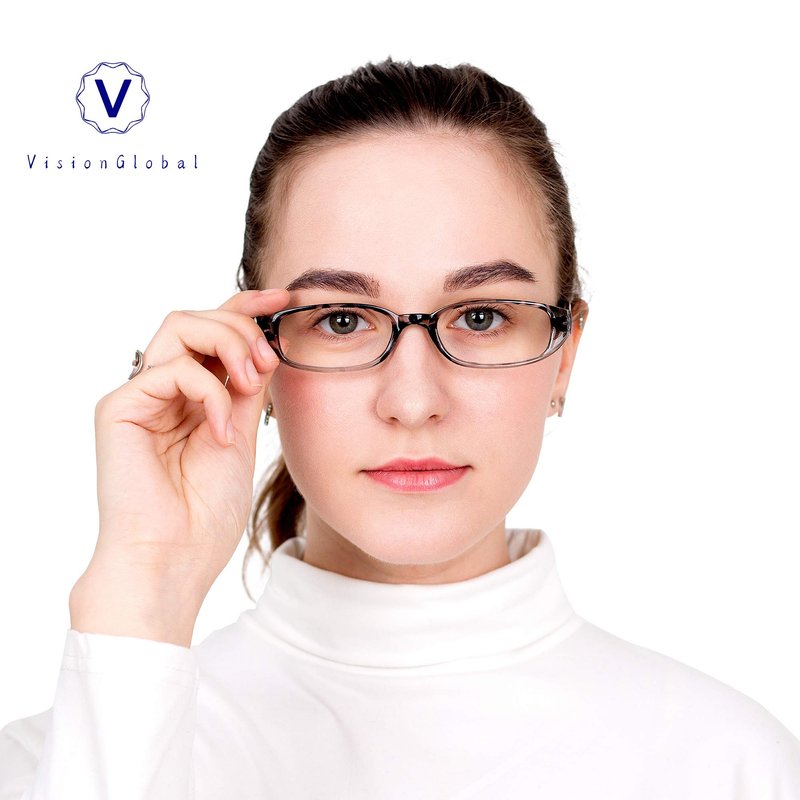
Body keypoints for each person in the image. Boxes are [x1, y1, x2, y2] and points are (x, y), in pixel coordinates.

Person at [1, 56, 799, 799]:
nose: (413, 402)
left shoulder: (729, 764)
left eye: (481, 316)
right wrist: (145, 596)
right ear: (254, 351)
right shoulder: (52, 763)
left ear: (565, 356)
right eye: (343, 319)